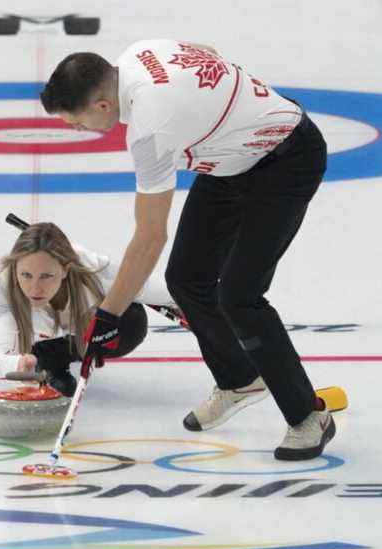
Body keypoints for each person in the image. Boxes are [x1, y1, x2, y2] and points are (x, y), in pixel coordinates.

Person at [39, 39, 334, 461]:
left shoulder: (150, 130)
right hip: (230, 156)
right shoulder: (140, 53)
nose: (76, 129)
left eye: (76, 121)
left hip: (287, 161)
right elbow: (207, 51)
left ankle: (309, 417)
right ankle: (239, 378)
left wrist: (109, 314)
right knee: (186, 279)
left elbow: (149, 237)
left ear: (103, 105)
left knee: (240, 296)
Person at [0, 221, 172, 397]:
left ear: (65, 269)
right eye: (26, 275)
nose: (35, 288)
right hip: (38, 342)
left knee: (133, 320)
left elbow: (164, 290)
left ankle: (71, 349)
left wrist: (192, 306)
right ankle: (49, 361)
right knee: (47, 370)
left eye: (46, 276)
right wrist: (18, 364)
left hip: (88, 329)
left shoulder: (95, 272)